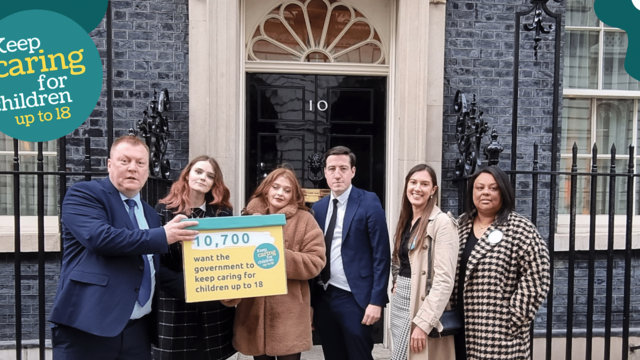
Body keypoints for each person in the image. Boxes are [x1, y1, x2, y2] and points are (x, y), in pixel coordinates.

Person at [49, 135, 199, 360]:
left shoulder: (149, 212)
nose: (133, 169)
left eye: (140, 163)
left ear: (147, 170)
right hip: (88, 327)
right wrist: (163, 235)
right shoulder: (84, 194)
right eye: (124, 161)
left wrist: (207, 286)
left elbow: (150, 268)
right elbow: (100, 238)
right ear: (109, 164)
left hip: (137, 332)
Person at [225, 167, 326, 360]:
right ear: (266, 189)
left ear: (294, 194)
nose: (280, 193)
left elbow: (316, 261)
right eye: (276, 187)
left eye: (287, 190)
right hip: (253, 315)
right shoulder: (247, 220)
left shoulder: (305, 221)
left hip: (289, 318)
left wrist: (277, 256)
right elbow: (233, 262)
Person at [451, 166, 550, 360]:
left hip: (498, 334)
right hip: (460, 327)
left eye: (493, 188)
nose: (485, 192)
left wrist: (512, 318)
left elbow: (539, 275)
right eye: (479, 187)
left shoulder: (520, 228)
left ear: (503, 192)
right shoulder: (460, 225)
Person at [310, 146, 391, 360]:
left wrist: (376, 301)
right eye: (332, 168)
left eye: (343, 168)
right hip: (323, 297)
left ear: (353, 171)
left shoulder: (369, 201)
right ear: (325, 172)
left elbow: (381, 255)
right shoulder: (317, 208)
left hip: (356, 298)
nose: (337, 174)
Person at [153, 155, 236, 360]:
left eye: (210, 176)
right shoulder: (163, 211)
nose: (203, 178)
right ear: (188, 174)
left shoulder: (223, 214)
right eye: (198, 172)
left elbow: (231, 258)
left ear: (214, 183)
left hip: (212, 306)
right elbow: (154, 262)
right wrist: (189, 286)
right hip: (175, 301)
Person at [390, 164, 457, 360]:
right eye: (413, 182)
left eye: (424, 184)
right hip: (400, 299)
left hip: (421, 301)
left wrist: (423, 323)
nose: (417, 188)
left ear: (433, 190)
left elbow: (444, 280)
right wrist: (396, 280)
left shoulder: (442, 223)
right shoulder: (406, 219)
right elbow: (398, 257)